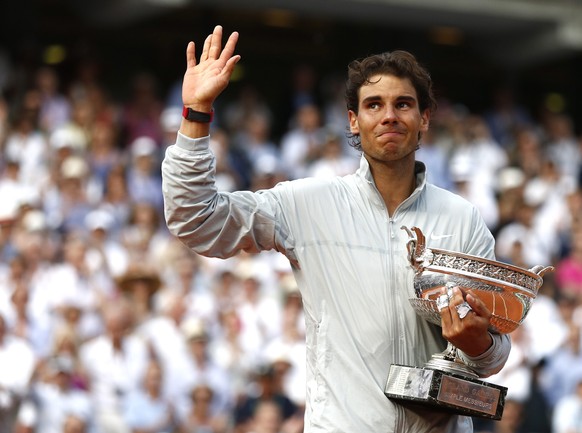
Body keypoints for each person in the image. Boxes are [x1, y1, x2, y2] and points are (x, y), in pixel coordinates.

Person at [161, 25, 511, 432]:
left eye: (403, 104)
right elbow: (197, 220)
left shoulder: (462, 218)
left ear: (424, 118)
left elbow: (495, 355)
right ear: (353, 121)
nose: (389, 116)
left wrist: (477, 344)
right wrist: (196, 113)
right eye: (374, 105)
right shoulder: (309, 203)